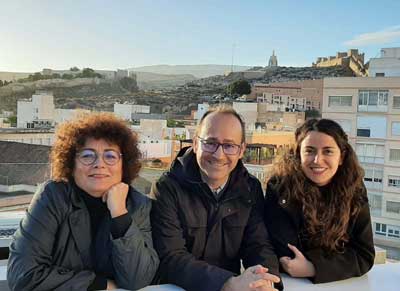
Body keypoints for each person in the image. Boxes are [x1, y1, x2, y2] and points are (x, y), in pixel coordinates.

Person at [7, 112, 159, 291]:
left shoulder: (138, 205)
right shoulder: (52, 197)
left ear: (123, 164)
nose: (99, 164)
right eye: (87, 155)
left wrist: (120, 215)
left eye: (110, 156)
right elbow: (23, 276)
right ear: (71, 164)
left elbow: (138, 280)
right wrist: (96, 284)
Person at [150, 106, 282, 291]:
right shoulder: (167, 188)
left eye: (229, 145)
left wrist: (267, 280)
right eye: (210, 143)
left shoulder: (250, 188)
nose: (218, 155)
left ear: (241, 149)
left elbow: (258, 244)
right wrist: (226, 282)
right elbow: (171, 257)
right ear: (196, 144)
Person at [264, 118, 375, 283]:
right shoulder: (280, 187)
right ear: (298, 154)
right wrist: (336, 259)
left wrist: (313, 267)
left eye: (328, 151)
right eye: (309, 151)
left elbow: (364, 254)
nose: (317, 160)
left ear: (341, 157)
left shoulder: (355, 189)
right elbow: (286, 254)